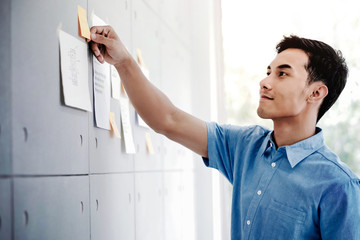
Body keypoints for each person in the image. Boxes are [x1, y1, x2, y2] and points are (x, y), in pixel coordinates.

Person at [88, 26, 360, 239]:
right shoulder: (245, 146)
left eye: (282, 74)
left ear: (316, 92)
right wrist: (123, 61)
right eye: (268, 72)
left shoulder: (339, 185)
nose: (264, 82)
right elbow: (167, 119)